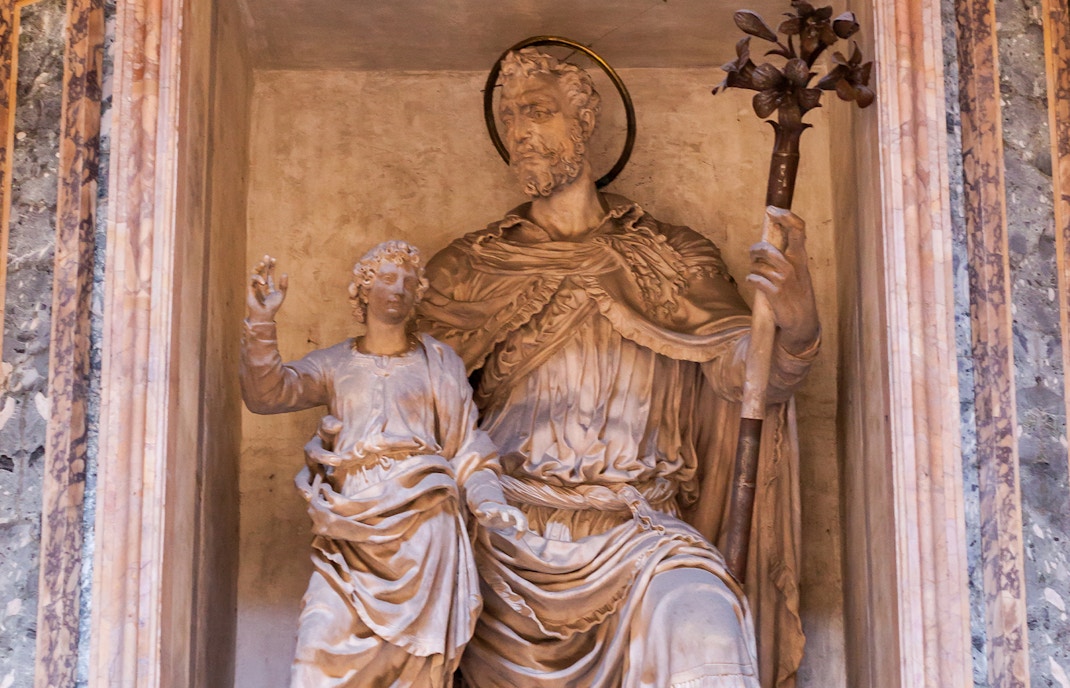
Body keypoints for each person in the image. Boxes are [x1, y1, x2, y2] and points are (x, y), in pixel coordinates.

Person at [416, 49, 820, 688]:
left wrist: (795, 326)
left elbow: (751, 384)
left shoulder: (672, 257)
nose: (520, 131)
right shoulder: (466, 271)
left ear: (586, 121)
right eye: (509, 116)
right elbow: (402, 407)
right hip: (501, 543)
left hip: (640, 535)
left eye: (537, 111)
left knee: (708, 628)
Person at [240, 241, 527, 688]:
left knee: (413, 665)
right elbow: (267, 394)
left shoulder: (439, 363)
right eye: (388, 278)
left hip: (424, 525)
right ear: (363, 289)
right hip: (351, 525)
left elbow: (468, 446)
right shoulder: (336, 362)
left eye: (410, 282)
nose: (399, 289)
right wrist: (261, 322)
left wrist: (488, 499)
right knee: (316, 647)